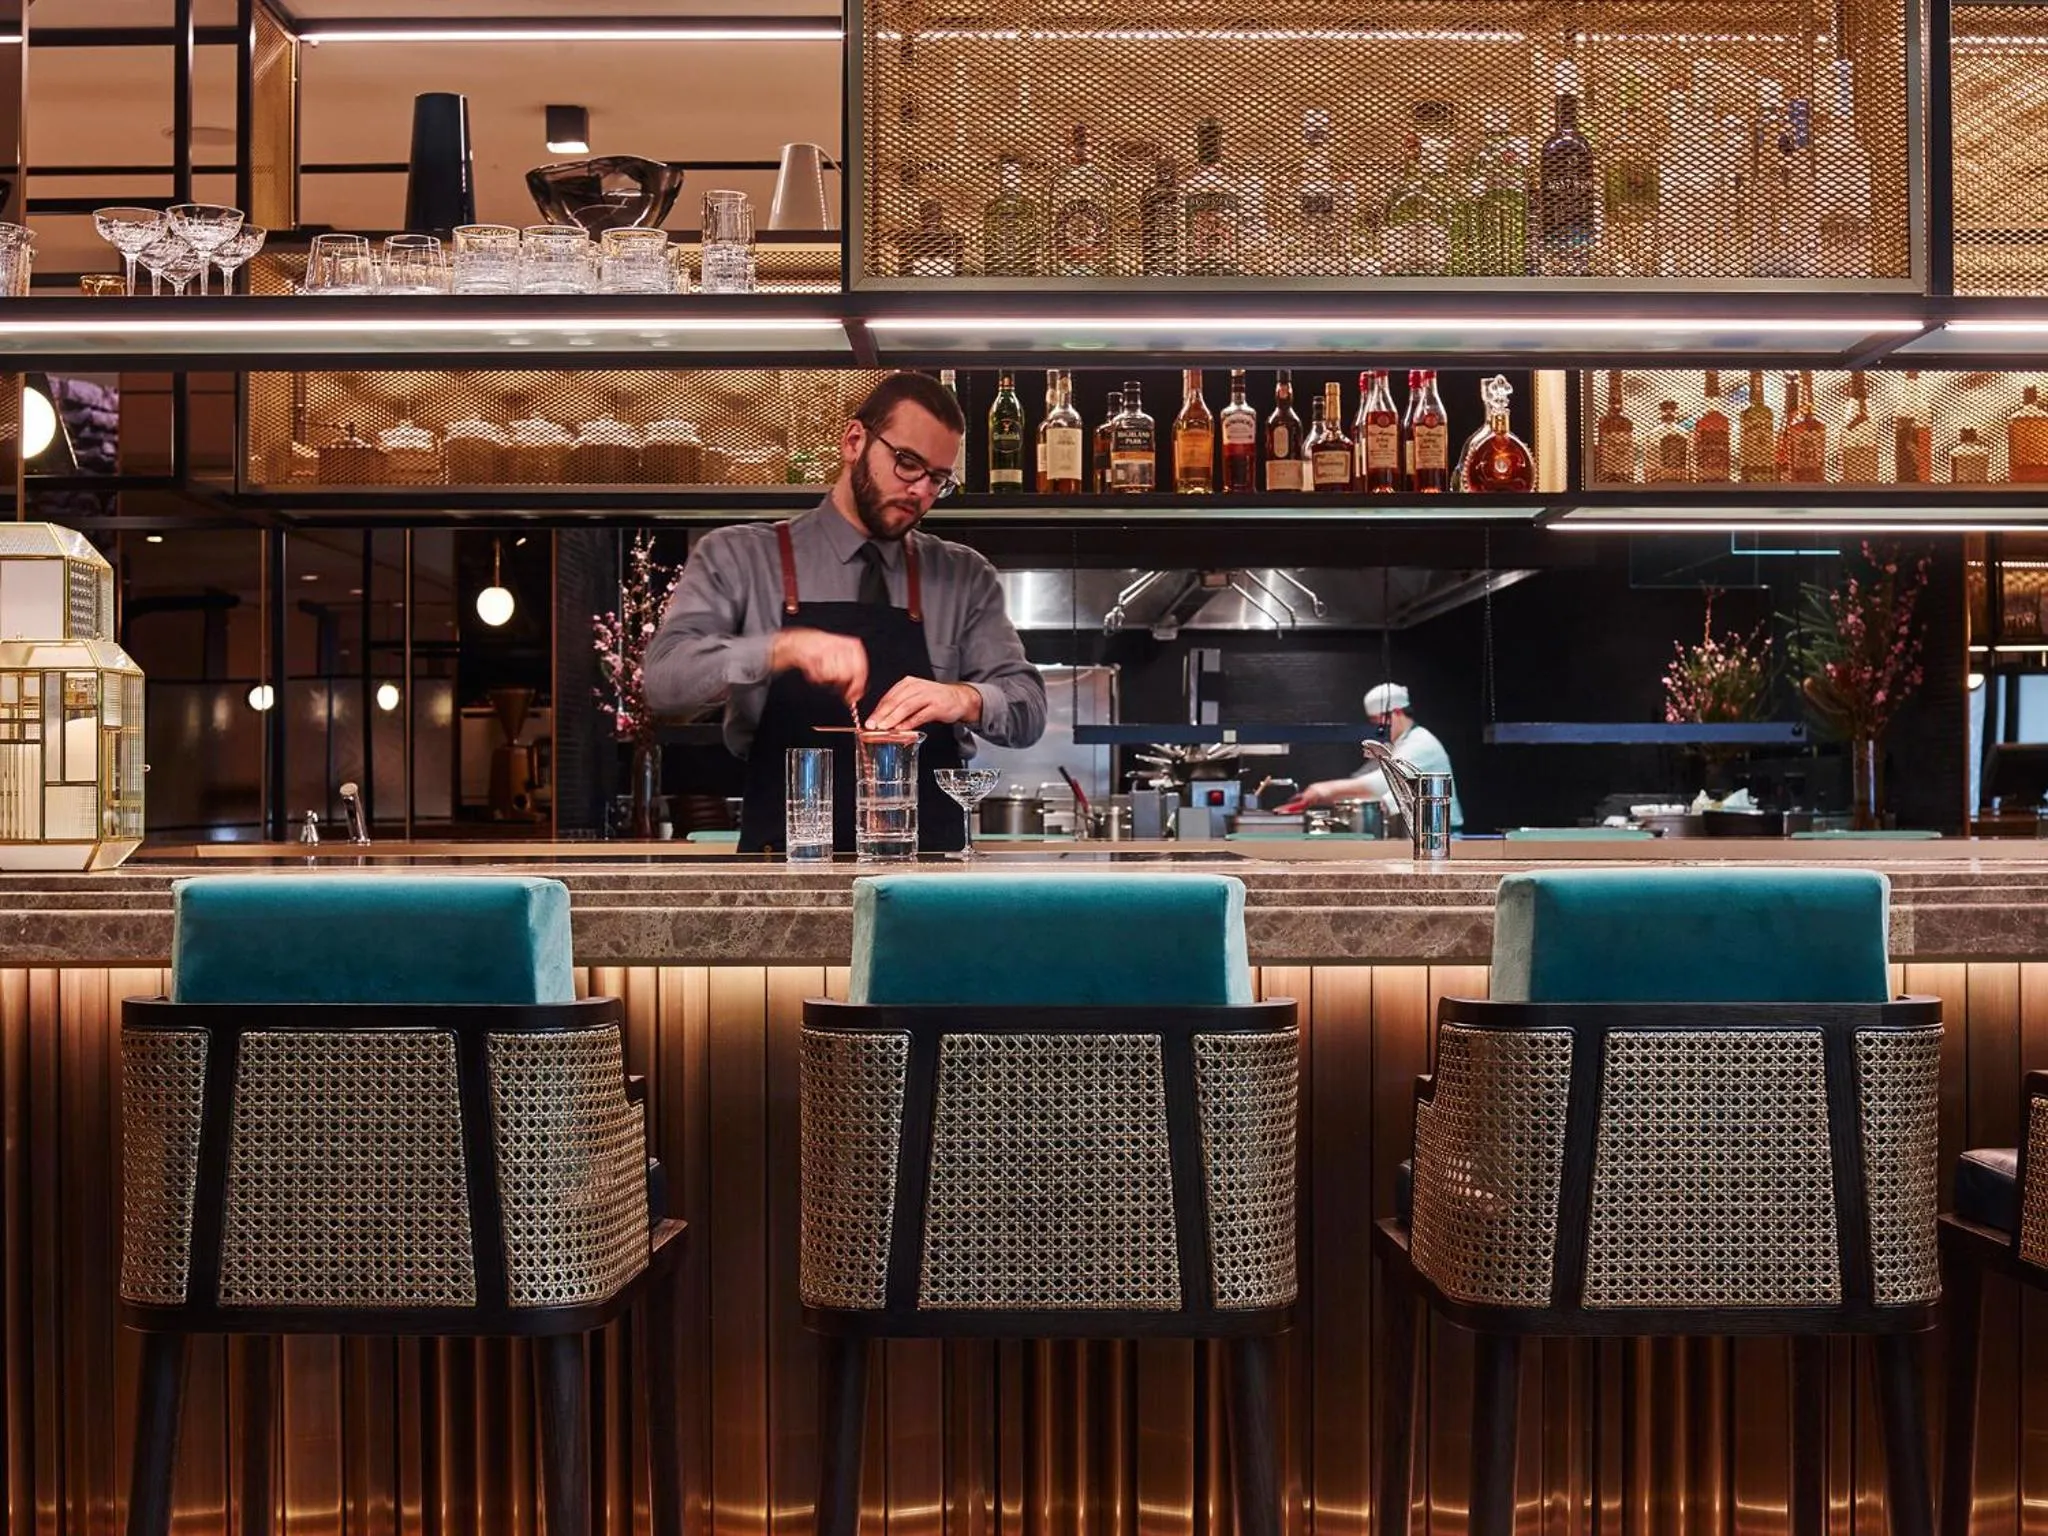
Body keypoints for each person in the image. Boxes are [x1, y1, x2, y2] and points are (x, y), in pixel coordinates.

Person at [643, 371, 1047, 853]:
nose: (921, 492)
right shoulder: (739, 557)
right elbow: (663, 684)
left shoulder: (963, 576)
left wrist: (964, 698)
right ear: (855, 441)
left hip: (927, 877)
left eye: (938, 479)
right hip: (786, 870)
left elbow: (1029, 710)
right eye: (907, 464)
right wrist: (776, 648)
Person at [1288, 681, 1464, 831]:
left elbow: (1383, 782)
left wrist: (1324, 789)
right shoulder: (1396, 745)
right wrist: (1316, 796)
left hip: (1441, 839)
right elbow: (1361, 778)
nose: (1377, 728)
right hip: (1415, 836)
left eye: (1377, 721)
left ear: (1396, 713)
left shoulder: (1421, 743)